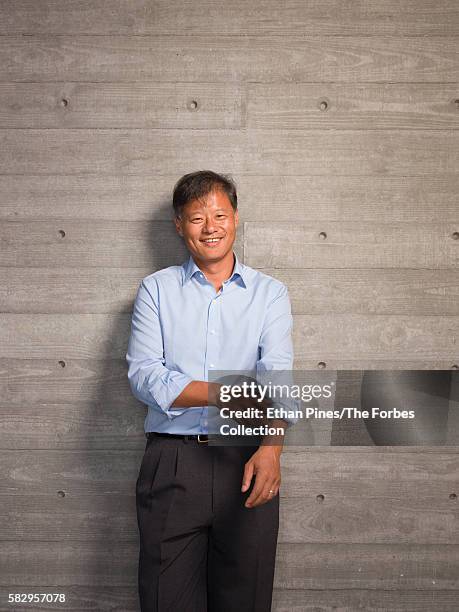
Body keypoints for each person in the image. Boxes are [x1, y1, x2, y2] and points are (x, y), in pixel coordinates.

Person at [126, 170, 295, 611]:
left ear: (235, 218)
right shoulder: (155, 291)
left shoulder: (270, 295)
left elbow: (277, 378)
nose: (211, 226)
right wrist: (228, 393)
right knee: (166, 601)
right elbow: (145, 376)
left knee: (246, 598)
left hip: (248, 458)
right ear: (179, 225)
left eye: (220, 214)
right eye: (197, 217)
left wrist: (272, 449)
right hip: (173, 461)